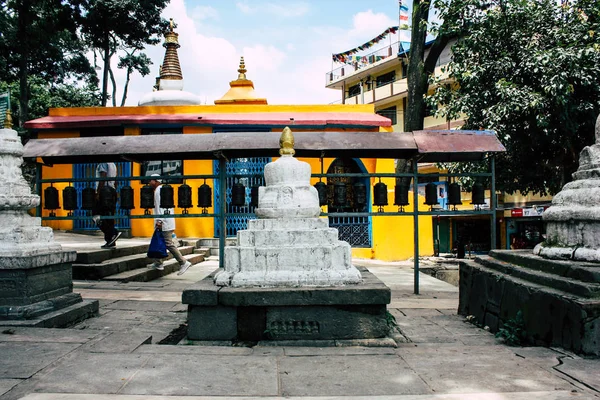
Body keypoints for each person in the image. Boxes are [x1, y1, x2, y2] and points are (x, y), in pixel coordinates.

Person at [148, 174, 192, 275]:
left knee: (168, 243)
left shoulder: (159, 191)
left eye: (151, 180)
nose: (149, 183)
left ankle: (183, 262)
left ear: (156, 181)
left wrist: (159, 220)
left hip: (164, 222)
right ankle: (158, 263)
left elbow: (161, 207)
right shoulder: (162, 189)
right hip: (165, 221)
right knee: (158, 240)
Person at [94, 162, 121, 249]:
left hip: (105, 191)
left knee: (95, 215)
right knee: (109, 217)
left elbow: (103, 176)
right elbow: (116, 180)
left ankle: (112, 233)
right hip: (111, 191)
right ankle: (110, 241)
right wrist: (115, 192)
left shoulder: (103, 163)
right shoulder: (113, 164)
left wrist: (98, 193)